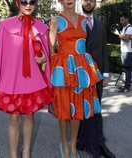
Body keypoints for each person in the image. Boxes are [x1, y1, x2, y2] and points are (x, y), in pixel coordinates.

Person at [0, 0, 52, 158]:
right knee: (14, 118)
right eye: (24, 1)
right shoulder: (6, 26)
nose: (28, 5)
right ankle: (13, 155)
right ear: (18, 3)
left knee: (30, 115)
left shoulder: (41, 27)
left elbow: (47, 54)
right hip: (12, 80)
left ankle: (26, 152)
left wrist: (44, 58)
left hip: (33, 81)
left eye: (32, 1)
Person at [49, 0, 103, 158]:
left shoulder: (83, 20)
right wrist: (55, 69)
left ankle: (73, 145)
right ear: (60, 1)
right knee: (65, 107)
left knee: (78, 108)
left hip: (81, 69)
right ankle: (64, 145)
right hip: (64, 69)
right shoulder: (55, 20)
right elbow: (52, 48)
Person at [77, 0, 115, 158]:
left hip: (97, 75)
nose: (88, 3)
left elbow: (104, 49)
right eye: (85, 0)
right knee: (80, 109)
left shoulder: (100, 24)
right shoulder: (75, 23)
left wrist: (106, 74)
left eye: (91, 0)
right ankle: (80, 139)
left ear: (95, 4)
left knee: (96, 109)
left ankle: (99, 143)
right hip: (80, 74)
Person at [114, 13, 132, 93]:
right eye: (120, 20)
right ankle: (126, 85)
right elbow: (123, 38)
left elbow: (126, 39)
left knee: (127, 70)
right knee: (125, 69)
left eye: (122, 19)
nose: (121, 21)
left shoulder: (129, 28)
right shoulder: (124, 28)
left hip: (128, 52)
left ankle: (127, 87)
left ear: (127, 19)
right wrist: (120, 34)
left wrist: (118, 34)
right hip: (124, 51)